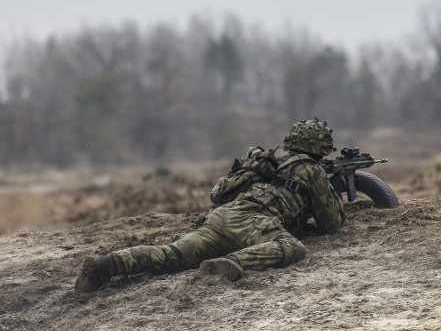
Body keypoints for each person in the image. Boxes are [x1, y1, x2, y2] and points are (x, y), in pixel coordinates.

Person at [74, 118, 345, 293]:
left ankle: (107, 264)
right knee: (292, 247)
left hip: (220, 218)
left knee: (171, 254)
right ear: (321, 147)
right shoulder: (311, 169)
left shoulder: (269, 163)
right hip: (254, 223)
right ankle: (229, 262)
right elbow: (330, 225)